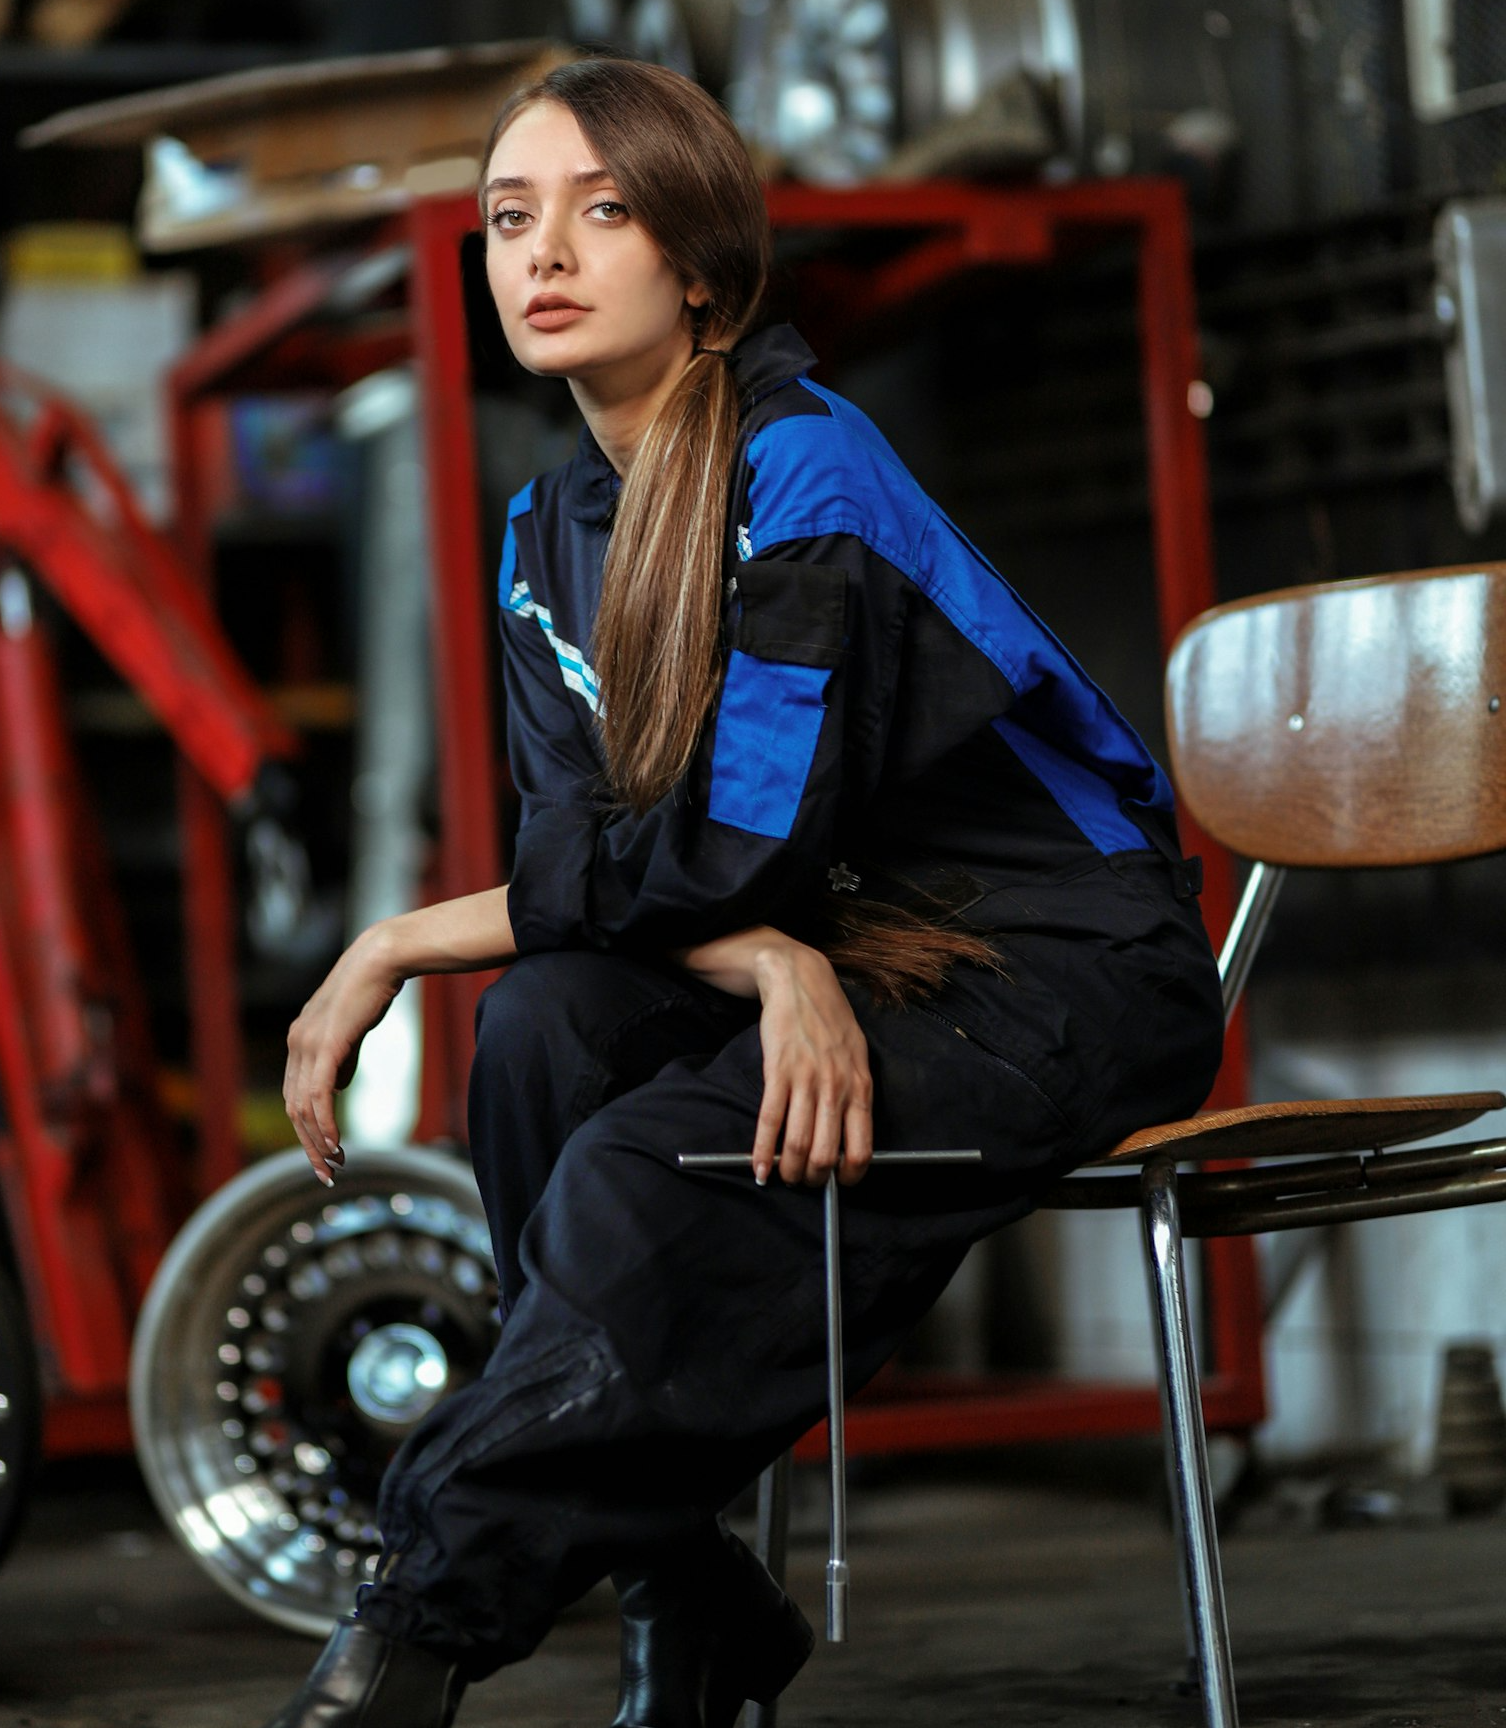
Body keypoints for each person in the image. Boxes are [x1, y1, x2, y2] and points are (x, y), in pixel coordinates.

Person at [267, 53, 1224, 1728]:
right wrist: (778, 965)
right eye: (509, 218)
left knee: (640, 1176)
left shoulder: (806, 470)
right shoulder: (545, 534)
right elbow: (603, 864)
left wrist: (403, 937)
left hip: (1052, 959)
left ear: (699, 266)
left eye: (602, 212)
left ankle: (409, 1636)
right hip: (833, 943)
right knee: (545, 1030)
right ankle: (688, 1602)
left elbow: (722, 846)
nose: (543, 252)